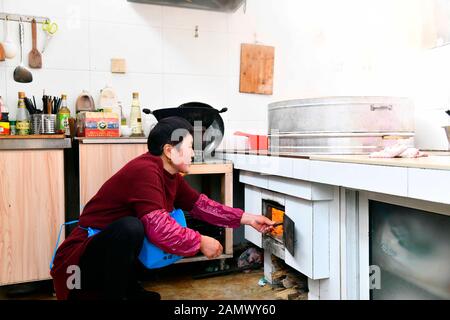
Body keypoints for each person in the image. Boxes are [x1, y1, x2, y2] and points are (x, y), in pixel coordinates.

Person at [50, 116, 274, 300]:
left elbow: (203, 206)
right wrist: (200, 241)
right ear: (169, 150)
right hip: (80, 262)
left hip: (107, 254)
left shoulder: (170, 175)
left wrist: (248, 218)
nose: (194, 153)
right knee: (133, 228)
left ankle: (129, 289)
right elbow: (158, 228)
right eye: (189, 147)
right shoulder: (145, 171)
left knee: (140, 227)